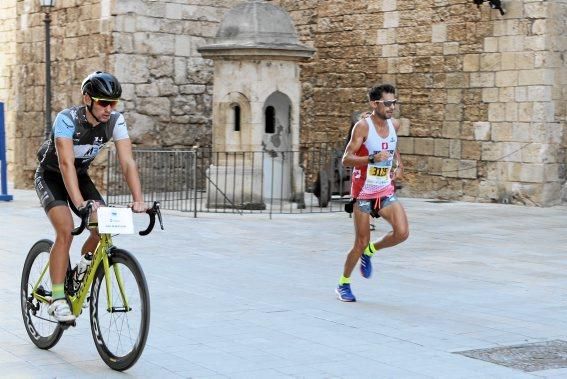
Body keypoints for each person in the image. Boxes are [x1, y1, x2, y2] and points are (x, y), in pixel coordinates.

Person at [34, 71, 147, 321]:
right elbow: (64, 163)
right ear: (87, 99)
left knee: (101, 226)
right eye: (103, 102)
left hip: (79, 176)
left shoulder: (115, 121)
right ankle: (56, 297)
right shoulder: (66, 119)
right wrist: (79, 203)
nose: (109, 108)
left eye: (113, 103)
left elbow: (127, 162)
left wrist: (139, 199)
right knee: (65, 230)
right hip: (51, 176)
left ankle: (79, 272)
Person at [336, 83, 409, 302]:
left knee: (402, 233)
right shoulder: (363, 127)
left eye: (394, 102)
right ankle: (343, 284)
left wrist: (399, 164)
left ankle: (371, 251)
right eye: (387, 103)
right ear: (374, 103)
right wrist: (370, 159)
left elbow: (392, 144)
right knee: (359, 242)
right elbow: (346, 159)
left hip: (385, 189)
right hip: (364, 192)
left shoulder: (394, 124)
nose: (392, 107)